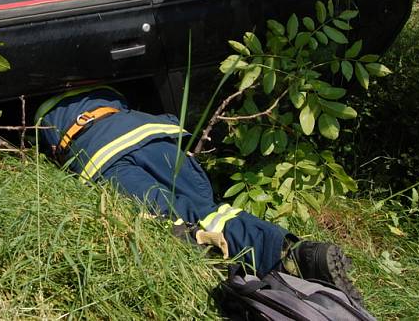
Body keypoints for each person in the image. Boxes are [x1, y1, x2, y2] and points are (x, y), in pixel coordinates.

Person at [35, 85, 362, 302]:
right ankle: (297, 254)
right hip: (154, 133)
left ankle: (245, 288)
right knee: (211, 209)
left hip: (102, 157)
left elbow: (52, 155)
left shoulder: (42, 117)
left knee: (170, 224)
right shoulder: (105, 93)